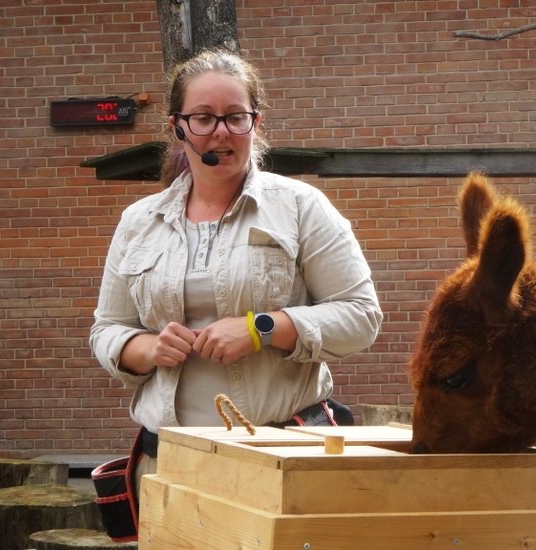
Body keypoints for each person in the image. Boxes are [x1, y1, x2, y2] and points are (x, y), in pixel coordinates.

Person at [89, 48, 383, 515]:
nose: (221, 131)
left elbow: (362, 316)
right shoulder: (138, 222)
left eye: (235, 117)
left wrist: (262, 329)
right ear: (177, 127)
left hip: (282, 459)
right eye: (203, 117)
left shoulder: (302, 208)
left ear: (255, 123)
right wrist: (145, 350)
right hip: (167, 462)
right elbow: (107, 329)